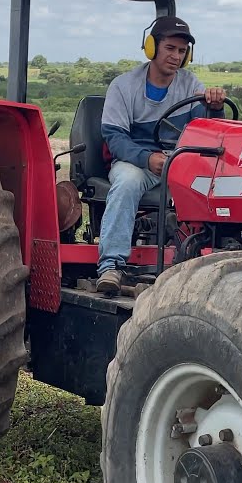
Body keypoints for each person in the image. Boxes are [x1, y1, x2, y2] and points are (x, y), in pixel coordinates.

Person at [97, 15, 226, 294]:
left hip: (178, 160)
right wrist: (147, 158)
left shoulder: (190, 85)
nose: (176, 57)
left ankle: (204, 262)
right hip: (136, 161)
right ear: (152, 47)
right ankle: (111, 265)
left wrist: (214, 106)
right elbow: (115, 137)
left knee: (217, 185)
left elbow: (208, 129)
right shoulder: (123, 86)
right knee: (127, 182)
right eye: (170, 48)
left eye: (182, 51)